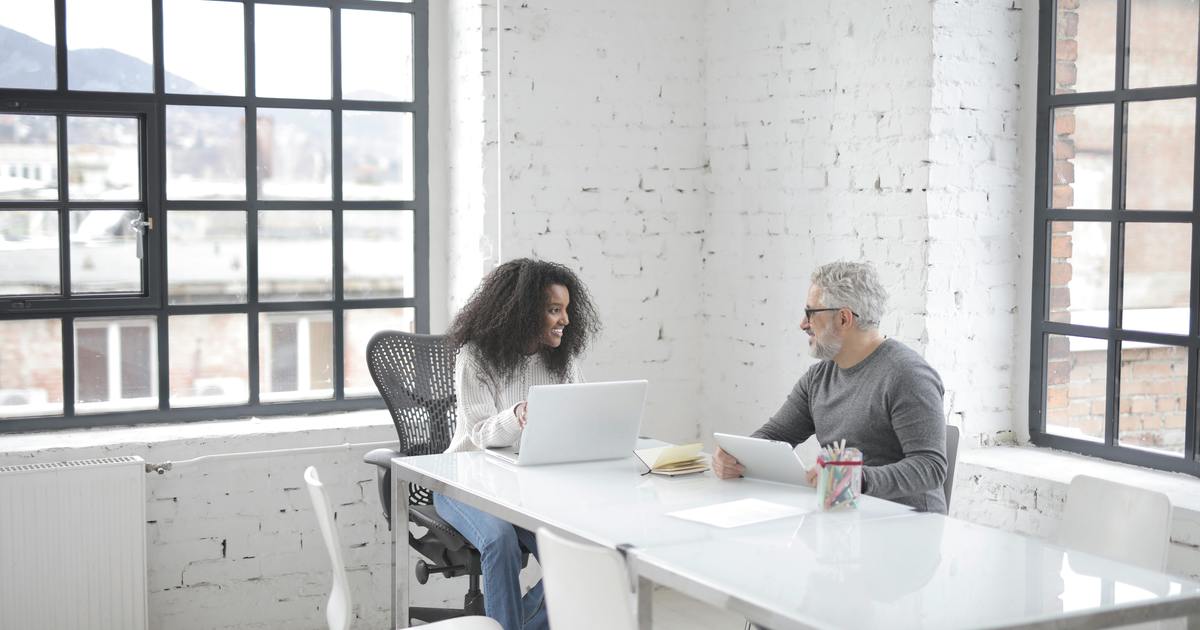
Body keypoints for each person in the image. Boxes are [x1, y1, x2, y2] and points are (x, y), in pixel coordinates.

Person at [435, 258, 599, 630]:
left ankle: (515, 625)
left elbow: (581, 414)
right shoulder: (475, 356)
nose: (565, 320)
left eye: (566, 309)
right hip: (461, 481)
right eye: (554, 310)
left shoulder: (562, 358)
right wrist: (519, 415)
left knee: (581, 551)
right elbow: (478, 433)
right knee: (500, 541)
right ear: (525, 313)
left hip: (522, 487)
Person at [713, 261, 948, 513]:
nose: (803, 324)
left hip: (909, 526)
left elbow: (930, 466)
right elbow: (775, 436)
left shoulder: (907, 374)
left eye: (811, 313)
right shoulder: (819, 378)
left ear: (844, 318)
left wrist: (857, 478)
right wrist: (736, 458)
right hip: (845, 521)